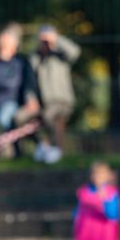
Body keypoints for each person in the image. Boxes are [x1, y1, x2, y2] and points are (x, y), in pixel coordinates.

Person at [29, 25, 80, 164]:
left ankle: (55, 150)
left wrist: (56, 40)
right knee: (24, 118)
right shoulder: (36, 58)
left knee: (49, 116)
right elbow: (30, 81)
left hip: (62, 101)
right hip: (42, 102)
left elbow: (75, 52)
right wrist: (31, 99)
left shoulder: (61, 56)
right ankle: (43, 147)